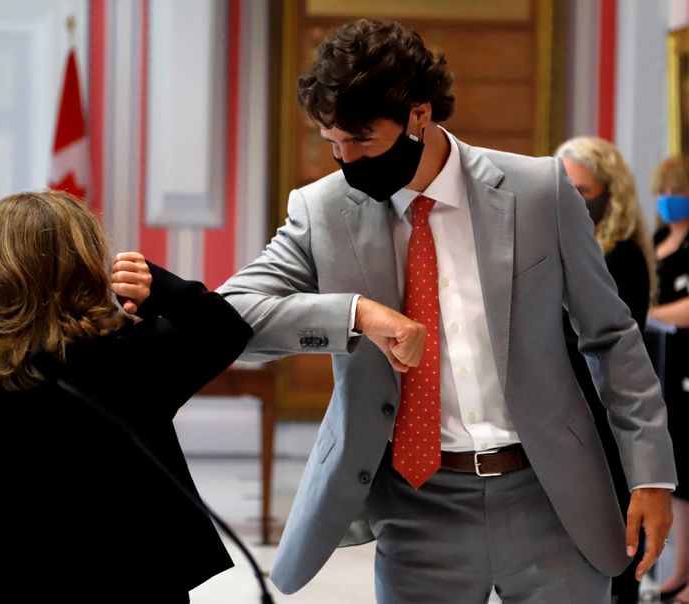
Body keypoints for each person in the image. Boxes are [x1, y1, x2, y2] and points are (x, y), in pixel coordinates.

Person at [218, 18, 676, 604]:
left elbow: (612, 336)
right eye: (333, 143)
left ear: (418, 113)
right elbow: (234, 314)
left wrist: (651, 475)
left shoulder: (538, 190)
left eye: (362, 139)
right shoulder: (322, 210)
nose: (347, 161)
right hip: (417, 505)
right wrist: (358, 315)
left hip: (552, 497)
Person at [0, 191, 252, 603]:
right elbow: (226, 330)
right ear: (89, 267)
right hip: (144, 590)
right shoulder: (138, 358)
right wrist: (157, 288)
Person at [556, 136, 656, 604]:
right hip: (570, 414)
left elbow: (611, 348)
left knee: (618, 546)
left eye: (584, 191)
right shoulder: (566, 245)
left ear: (609, 194)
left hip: (604, 418)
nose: (573, 200)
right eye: (566, 189)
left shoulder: (622, 256)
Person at [648, 156, 689, 603]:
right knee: (677, 479)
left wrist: (648, 314)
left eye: (675, 191)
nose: (667, 200)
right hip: (661, 366)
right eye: (662, 191)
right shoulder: (659, 238)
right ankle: (679, 570)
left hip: (686, 369)